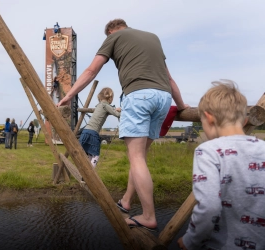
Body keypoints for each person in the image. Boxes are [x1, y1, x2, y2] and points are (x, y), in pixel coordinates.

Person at [57, 19, 188, 231]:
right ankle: (126, 201)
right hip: (163, 99)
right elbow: (169, 78)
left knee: (136, 159)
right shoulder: (153, 37)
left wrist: (69, 96)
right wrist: (181, 105)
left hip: (139, 96)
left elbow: (91, 71)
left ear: (110, 32)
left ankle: (148, 216)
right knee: (140, 159)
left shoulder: (113, 38)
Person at [178, 81, 265, 250]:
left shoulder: (208, 151)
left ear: (209, 118)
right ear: (245, 120)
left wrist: (190, 241)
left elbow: (209, 207)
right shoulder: (263, 147)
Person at [79, 87, 120, 168]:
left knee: (88, 155)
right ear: (110, 97)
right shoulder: (106, 105)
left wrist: (114, 108)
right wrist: (119, 110)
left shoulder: (99, 105)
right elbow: (117, 114)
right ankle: (91, 174)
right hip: (93, 133)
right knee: (95, 156)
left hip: (85, 131)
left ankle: (84, 175)